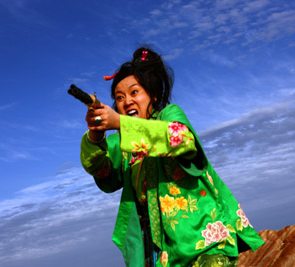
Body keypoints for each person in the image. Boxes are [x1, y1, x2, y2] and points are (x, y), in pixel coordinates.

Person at [80, 47, 264, 267]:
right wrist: (95, 136)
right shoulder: (121, 143)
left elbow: (182, 138)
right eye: (119, 98)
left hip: (204, 243)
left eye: (134, 92)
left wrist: (120, 123)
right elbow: (105, 177)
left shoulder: (169, 115)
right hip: (162, 254)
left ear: (153, 95)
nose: (126, 101)